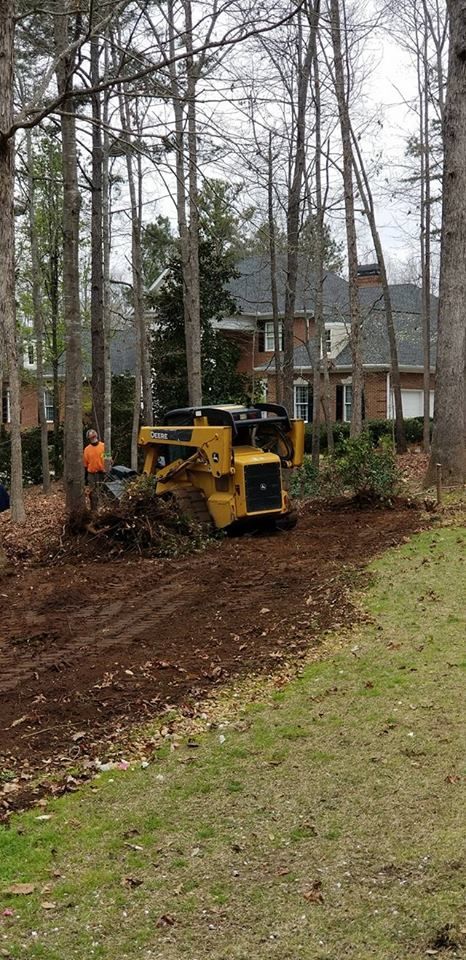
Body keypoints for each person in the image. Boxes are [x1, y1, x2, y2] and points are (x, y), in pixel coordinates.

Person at [83, 429, 106, 511]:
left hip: (102, 473)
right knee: (93, 492)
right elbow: (85, 464)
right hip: (91, 474)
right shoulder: (87, 449)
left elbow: (108, 458)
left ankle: (103, 508)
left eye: (93, 434)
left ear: (96, 435)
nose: (92, 436)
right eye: (90, 435)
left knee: (102, 491)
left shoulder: (104, 446)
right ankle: (94, 509)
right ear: (88, 438)